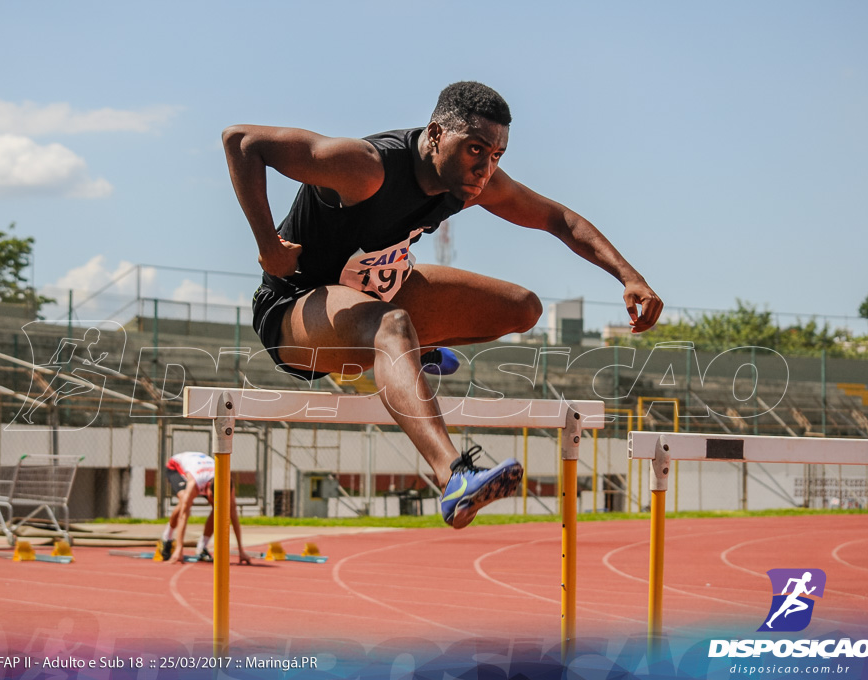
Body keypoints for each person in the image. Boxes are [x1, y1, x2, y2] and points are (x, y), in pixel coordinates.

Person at [222, 81, 663, 529]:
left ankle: (411, 354)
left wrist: (630, 277)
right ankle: (454, 476)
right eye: (475, 150)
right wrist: (266, 243)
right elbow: (241, 141)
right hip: (295, 311)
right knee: (390, 324)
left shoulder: (468, 182)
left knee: (521, 308)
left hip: (374, 296)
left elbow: (559, 219)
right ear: (435, 134)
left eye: (496, 157)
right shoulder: (367, 168)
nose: (485, 169)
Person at [160, 451, 252, 565]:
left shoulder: (227, 483)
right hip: (176, 467)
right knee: (184, 501)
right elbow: (183, 516)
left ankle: (202, 547)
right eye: (212, 498)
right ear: (208, 490)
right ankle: (167, 538)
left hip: (204, 467)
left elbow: (233, 515)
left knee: (219, 508)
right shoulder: (194, 483)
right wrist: (179, 548)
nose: (212, 501)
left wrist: (241, 550)